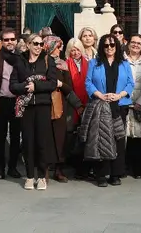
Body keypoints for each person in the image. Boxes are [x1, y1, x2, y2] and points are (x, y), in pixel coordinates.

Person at [84, 35, 135, 187]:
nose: (109, 48)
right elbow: (88, 83)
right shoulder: (94, 63)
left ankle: (115, 174)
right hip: (101, 105)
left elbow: (130, 83)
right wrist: (100, 95)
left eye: (112, 45)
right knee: (101, 139)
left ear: (117, 46)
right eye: (106, 45)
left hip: (119, 105)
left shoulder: (124, 63)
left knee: (118, 139)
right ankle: (101, 174)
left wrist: (119, 95)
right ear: (102, 47)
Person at [11, 33, 58, 191]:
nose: (39, 47)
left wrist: (36, 86)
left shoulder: (47, 60)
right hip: (26, 107)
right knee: (28, 142)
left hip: (43, 106)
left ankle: (42, 176)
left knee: (42, 142)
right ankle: (30, 176)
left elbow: (52, 83)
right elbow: (12, 85)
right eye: (35, 44)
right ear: (28, 44)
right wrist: (26, 87)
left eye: (41, 44)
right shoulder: (20, 62)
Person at [45, 36, 83, 183]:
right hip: (46, 104)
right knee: (47, 137)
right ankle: (45, 170)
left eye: (61, 47)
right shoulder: (43, 63)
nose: (60, 50)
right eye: (57, 47)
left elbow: (69, 86)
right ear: (49, 48)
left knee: (61, 138)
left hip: (61, 105)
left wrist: (61, 85)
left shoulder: (63, 64)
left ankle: (59, 170)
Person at [0, 28, 24, 180]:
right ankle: (0, 168)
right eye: (6, 40)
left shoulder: (22, 58)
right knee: (0, 136)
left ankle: (13, 167)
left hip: (18, 101)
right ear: (1, 42)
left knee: (16, 136)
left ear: (16, 41)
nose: (9, 42)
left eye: (12, 39)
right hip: (1, 101)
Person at [124, 34, 141, 179]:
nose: (135, 45)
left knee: (140, 137)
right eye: (133, 42)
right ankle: (125, 166)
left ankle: (139, 169)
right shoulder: (122, 60)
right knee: (125, 136)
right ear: (128, 44)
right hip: (125, 103)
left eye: (139, 43)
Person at [63, 38, 89, 179]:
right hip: (71, 105)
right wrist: (77, 105)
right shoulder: (65, 64)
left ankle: (83, 167)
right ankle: (72, 163)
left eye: (77, 49)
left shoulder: (88, 64)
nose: (75, 52)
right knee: (71, 134)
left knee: (85, 135)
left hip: (87, 103)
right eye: (72, 50)